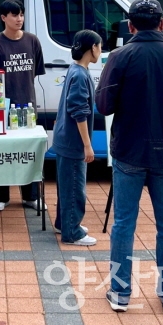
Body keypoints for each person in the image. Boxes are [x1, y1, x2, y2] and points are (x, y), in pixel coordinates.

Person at [95, 0, 163, 315]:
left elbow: (103, 106)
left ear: (130, 26)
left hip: (129, 151)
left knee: (124, 223)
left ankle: (120, 292)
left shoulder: (120, 56)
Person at [0, 0, 46, 212]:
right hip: (1, 109)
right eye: (15, 15)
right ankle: (1, 196)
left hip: (27, 106)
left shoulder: (32, 41)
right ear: (3, 18)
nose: (19, 19)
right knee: (2, 152)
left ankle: (31, 196)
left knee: (29, 152)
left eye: (21, 15)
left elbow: (34, 73)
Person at [52, 29, 101, 246]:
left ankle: (65, 223)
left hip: (64, 138)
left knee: (66, 187)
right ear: (92, 48)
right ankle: (72, 233)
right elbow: (79, 111)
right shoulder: (81, 74)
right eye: (99, 46)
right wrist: (87, 145)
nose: (100, 50)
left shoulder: (74, 70)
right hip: (74, 142)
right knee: (74, 188)